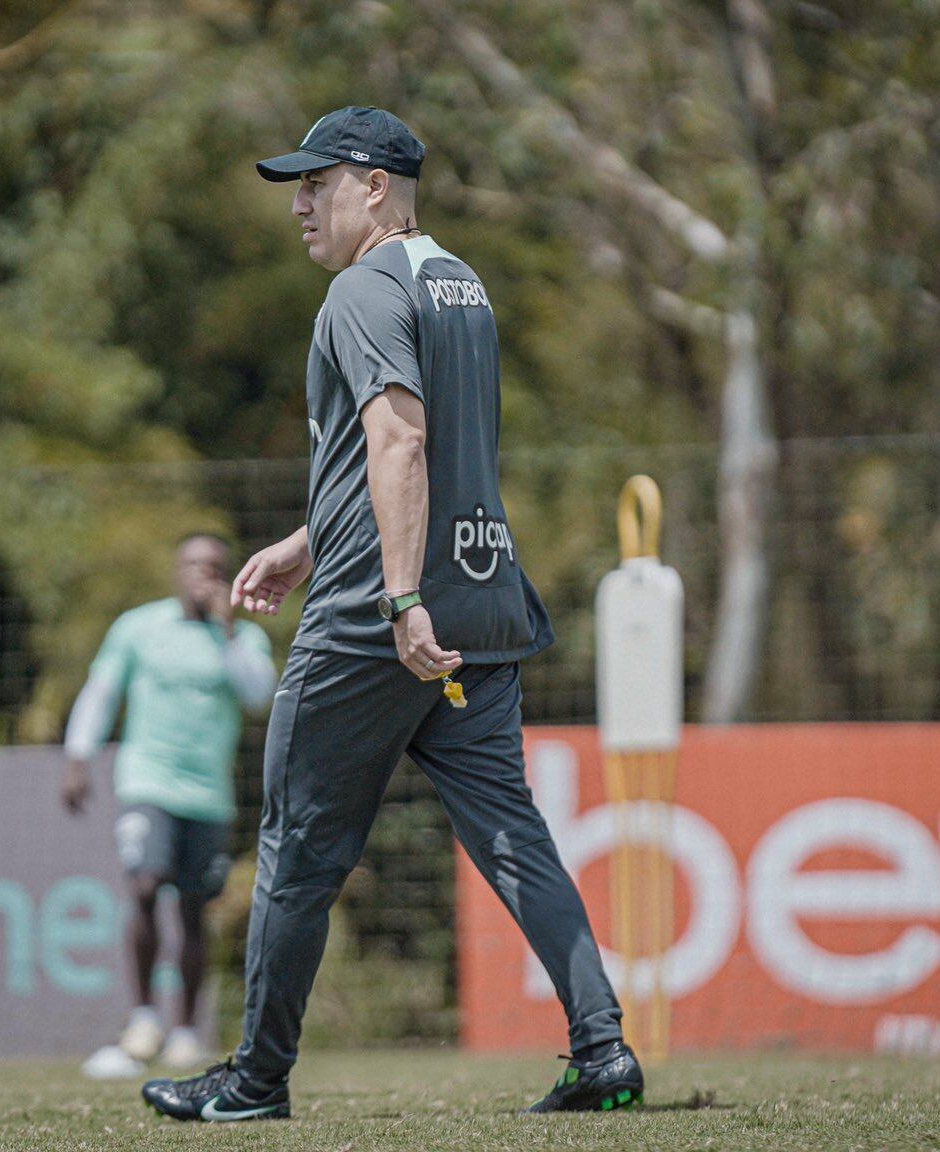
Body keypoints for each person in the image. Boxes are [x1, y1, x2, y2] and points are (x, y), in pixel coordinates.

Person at [142, 107, 642, 1123]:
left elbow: (400, 446)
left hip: (383, 625)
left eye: (315, 182)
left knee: (293, 851)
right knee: (514, 840)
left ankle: (254, 1080)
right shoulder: (458, 281)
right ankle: (603, 1055)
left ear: (373, 185)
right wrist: (305, 538)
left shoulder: (358, 290)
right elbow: (409, 461)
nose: (298, 204)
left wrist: (399, 600)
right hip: (484, 606)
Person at [62, 534, 276, 1078]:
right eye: (193, 566)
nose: (203, 576)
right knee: (144, 884)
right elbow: (101, 691)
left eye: (215, 568)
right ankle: (141, 1021)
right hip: (147, 782)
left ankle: (184, 1031)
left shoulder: (244, 638)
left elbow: (259, 696)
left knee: (193, 908)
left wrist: (226, 628)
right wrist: (78, 757)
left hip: (208, 794)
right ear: (177, 570)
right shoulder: (138, 628)